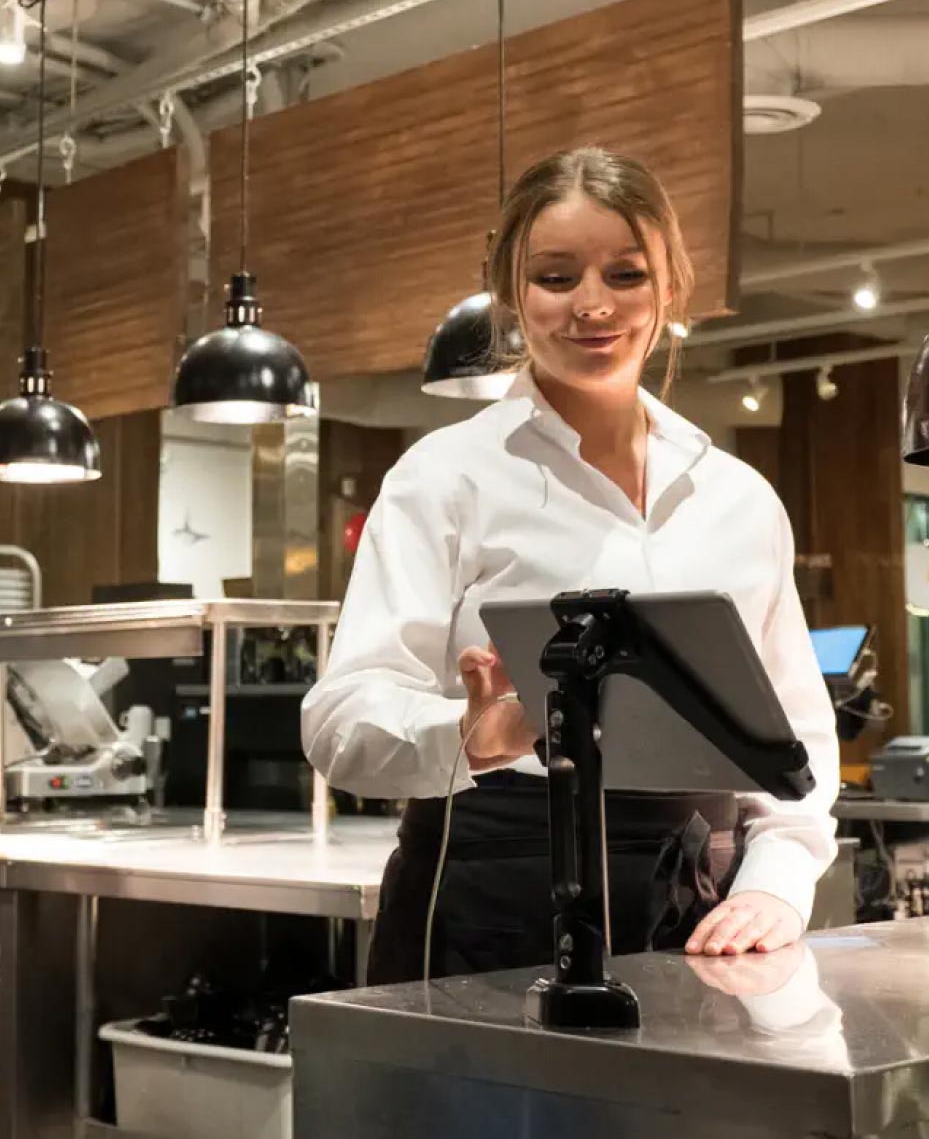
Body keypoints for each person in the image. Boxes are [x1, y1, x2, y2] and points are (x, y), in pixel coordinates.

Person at [302, 148, 839, 982]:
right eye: (556, 276)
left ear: (670, 285)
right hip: (487, 901)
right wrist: (468, 734)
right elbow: (338, 719)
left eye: (626, 274)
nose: (593, 305)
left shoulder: (740, 498)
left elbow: (797, 734)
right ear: (513, 293)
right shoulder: (444, 475)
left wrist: (778, 881)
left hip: (703, 916)